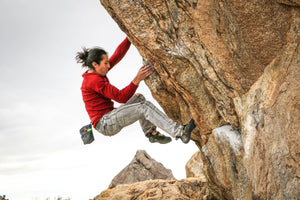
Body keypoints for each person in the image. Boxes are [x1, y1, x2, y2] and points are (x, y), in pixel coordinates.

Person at [76, 37, 196, 144]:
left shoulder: (97, 71)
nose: (108, 65)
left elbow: (117, 55)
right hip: (106, 123)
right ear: (95, 64)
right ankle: (180, 132)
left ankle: (151, 133)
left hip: (110, 116)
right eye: (105, 63)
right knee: (144, 107)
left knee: (139, 97)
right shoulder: (93, 81)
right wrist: (137, 79)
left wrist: (130, 36)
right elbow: (121, 97)